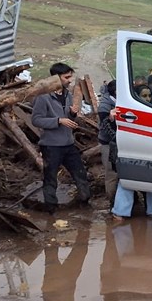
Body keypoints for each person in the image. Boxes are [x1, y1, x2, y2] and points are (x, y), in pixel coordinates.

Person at [31, 62, 91, 214]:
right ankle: (51, 209)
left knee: (80, 173)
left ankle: (84, 202)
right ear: (56, 78)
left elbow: (69, 120)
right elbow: (36, 120)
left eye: (70, 77)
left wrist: (72, 114)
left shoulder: (68, 95)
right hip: (51, 145)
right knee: (50, 177)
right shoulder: (43, 97)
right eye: (66, 77)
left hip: (68, 143)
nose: (69, 80)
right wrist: (58, 121)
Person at [97, 80, 118, 201]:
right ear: (116, 92)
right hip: (108, 144)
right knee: (111, 174)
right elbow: (105, 128)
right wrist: (110, 119)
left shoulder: (116, 102)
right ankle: (113, 202)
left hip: (118, 142)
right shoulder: (104, 107)